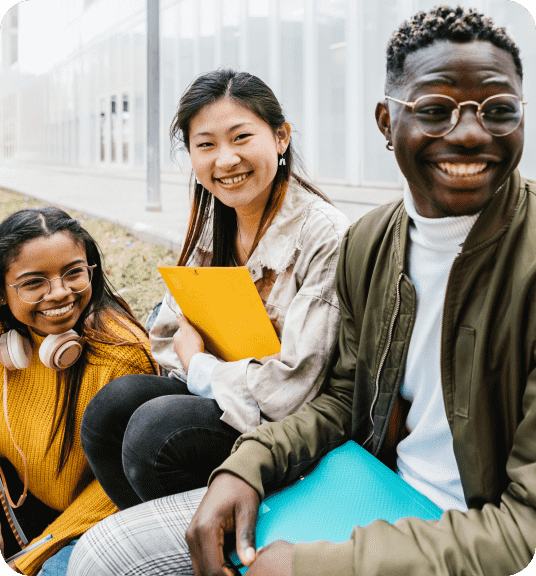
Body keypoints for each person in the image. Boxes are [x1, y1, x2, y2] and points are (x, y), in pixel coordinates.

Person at [66, 6, 536, 576]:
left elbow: (524, 525)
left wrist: (324, 563)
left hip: (478, 542)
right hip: (368, 485)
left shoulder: (332, 235)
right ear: (387, 123)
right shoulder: (374, 241)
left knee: (156, 437)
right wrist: (249, 466)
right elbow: (340, 399)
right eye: (434, 110)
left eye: (500, 110)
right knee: (99, 557)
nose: (467, 133)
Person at [79, 69, 349, 510]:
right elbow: (166, 334)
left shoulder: (325, 236)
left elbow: (291, 391)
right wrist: (213, 367)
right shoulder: (214, 220)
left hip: (296, 425)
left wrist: (203, 365)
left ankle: (214, 545)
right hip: (232, 397)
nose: (225, 160)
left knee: (155, 432)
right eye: (206, 144)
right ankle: (152, 541)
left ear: (281, 138)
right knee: (110, 408)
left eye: (241, 137)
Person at [0, 207, 157, 576]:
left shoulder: (122, 357)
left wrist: (35, 555)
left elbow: (121, 488)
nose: (59, 293)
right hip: (25, 505)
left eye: (73, 273)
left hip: (89, 524)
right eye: (33, 282)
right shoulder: (9, 348)